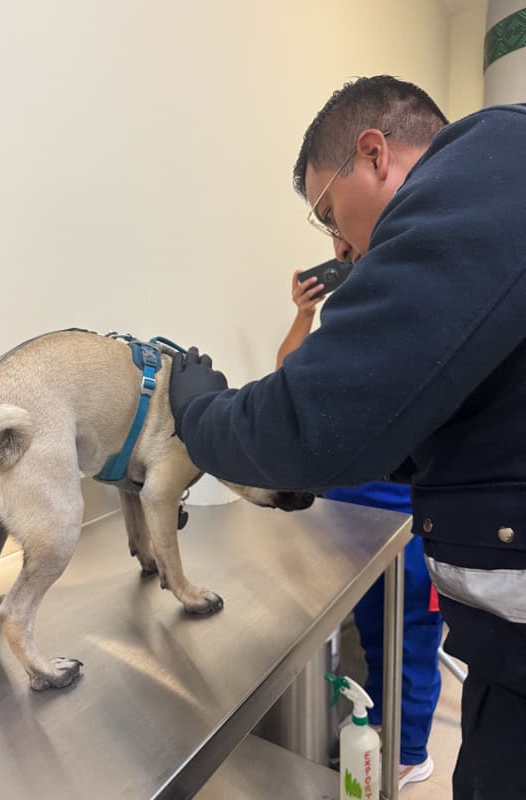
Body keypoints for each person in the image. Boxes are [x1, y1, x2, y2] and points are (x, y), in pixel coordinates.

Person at [169, 76, 526, 799]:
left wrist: (195, 406)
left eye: (331, 213)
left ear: (374, 155)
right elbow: (398, 411)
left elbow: (314, 420)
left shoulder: (493, 159)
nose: (339, 244)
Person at [277, 269, 443, 789]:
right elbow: (286, 383)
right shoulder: (340, 335)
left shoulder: (429, 324)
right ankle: (381, 722)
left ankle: (411, 750)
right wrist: (304, 315)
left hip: (412, 511)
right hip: (349, 511)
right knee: (375, 631)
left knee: (412, 635)